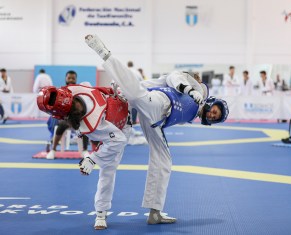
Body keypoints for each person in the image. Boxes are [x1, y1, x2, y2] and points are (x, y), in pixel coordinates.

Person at [85, 34, 229, 226]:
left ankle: (155, 212)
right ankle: (105, 54)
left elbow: (151, 85)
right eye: (215, 111)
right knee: (136, 96)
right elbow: (173, 77)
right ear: (213, 103)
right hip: (158, 103)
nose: (212, 115)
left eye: (215, 118)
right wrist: (191, 90)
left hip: (155, 121)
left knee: (164, 161)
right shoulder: (199, 90)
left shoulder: (193, 114)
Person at [37, 83, 132, 230]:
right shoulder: (87, 125)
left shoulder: (77, 89)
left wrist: (112, 90)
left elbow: (98, 90)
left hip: (124, 102)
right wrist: (93, 158)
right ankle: (101, 213)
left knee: (146, 89)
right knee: (107, 170)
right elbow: (118, 140)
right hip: (121, 126)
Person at [46, 71, 89, 159]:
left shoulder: (78, 90)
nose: (71, 80)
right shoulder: (60, 91)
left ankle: (85, 150)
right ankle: (53, 150)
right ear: (65, 78)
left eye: (73, 78)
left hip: (77, 118)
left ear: (76, 79)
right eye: (69, 78)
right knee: (61, 125)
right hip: (65, 118)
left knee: (85, 125)